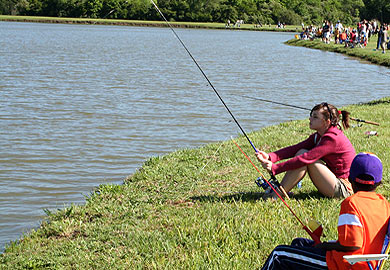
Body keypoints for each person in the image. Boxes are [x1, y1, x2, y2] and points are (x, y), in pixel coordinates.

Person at [261, 152, 390, 270]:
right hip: (366, 263)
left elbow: (353, 245)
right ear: (379, 183)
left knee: (279, 254)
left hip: (343, 265)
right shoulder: (384, 204)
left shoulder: (351, 203)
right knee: (298, 243)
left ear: (350, 179)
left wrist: (325, 246)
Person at [256, 103, 355, 199]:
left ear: (327, 121)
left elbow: (307, 158)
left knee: (305, 158)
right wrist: (270, 156)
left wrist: (275, 168)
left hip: (344, 189)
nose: (310, 119)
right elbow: (295, 148)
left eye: (315, 117)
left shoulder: (332, 138)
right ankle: (278, 193)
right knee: (301, 151)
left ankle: (277, 195)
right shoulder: (319, 135)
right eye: (311, 115)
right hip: (333, 181)